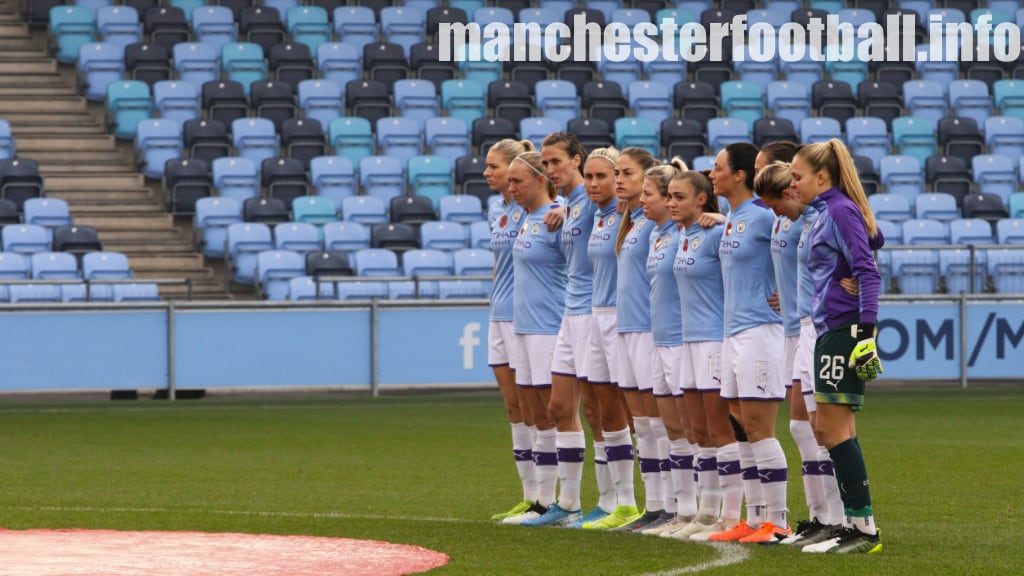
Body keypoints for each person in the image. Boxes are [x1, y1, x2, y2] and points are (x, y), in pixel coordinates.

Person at [790, 139, 885, 554]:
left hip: (842, 329)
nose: (792, 182)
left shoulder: (838, 209)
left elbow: (868, 269)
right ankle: (856, 524)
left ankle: (864, 529)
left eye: (797, 176)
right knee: (836, 428)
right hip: (830, 327)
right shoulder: (823, 211)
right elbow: (870, 241)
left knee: (830, 428)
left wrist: (866, 332)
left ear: (822, 176)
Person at [708, 143, 791, 544]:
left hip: (760, 331)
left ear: (739, 175)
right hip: (733, 333)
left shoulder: (762, 217)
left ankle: (778, 520)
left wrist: (787, 294)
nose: (712, 174)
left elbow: (793, 251)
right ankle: (754, 518)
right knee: (740, 424)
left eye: (718, 167)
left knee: (759, 426)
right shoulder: (731, 217)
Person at [523, 132, 605, 526]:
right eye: (545, 163)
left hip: (592, 312)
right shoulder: (569, 206)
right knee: (559, 408)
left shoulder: (592, 201)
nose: (549, 169)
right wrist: (560, 208)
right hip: (569, 315)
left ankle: (615, 501)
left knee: (598, 410)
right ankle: (568, 503)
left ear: (576, 160)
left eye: (556, 162)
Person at [584, 148, 661, 531]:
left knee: (652, 420)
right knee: (611, 414)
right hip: (607, 319)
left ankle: (668, 504)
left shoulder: (651, 219)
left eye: (623, 173)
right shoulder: (618, 216)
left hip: (636, 323)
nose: (614, 181)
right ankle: (628, 503)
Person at [664, 170, 734, 541]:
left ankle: (730, 513)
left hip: (712, 341)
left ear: (701, 200)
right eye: (669, 196)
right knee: (697, 432)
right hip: (687, 340)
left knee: (719, 429)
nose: (671, 202)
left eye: (678, 197)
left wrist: (726, 220)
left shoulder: (716, 233)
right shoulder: (683, 235)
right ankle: (706, 513)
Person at [571, 146, 635, 529]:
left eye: (602, 177)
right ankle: (613, 501)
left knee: (632, 413)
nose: (593, 184)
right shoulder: (595, 214)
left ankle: (636, 502)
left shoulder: (630, 213)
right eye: (589, 177)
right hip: (596, 316)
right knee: (601, 411)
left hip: (622, 318)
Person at [636, 159, 702, 537]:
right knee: (671, 431)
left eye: (651, 193)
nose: (645, 199)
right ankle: (680, 510)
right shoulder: (658, 235)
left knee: (692, 430)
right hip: (658, 340)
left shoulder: (685, 234)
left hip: (681, 341)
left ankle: (700, 510)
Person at [502, 151, 567, 525]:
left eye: (517, 181)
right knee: (536, 418)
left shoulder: (556, 218)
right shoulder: (528, 219)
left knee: (553, 415)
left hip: (548, 327)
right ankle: (541, 501)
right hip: (524, 327)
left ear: (541, 179)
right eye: (509, 182)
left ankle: (557, 501)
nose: (511, 188)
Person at [484, 139, 540, 522]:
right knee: (514, 409)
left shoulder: (534, 210)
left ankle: (545, 498)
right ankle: (528, 494)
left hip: (527, 318)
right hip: (498, 314)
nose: (486, 173)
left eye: (493, 166)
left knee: (537, 409)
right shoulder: (497, 210)